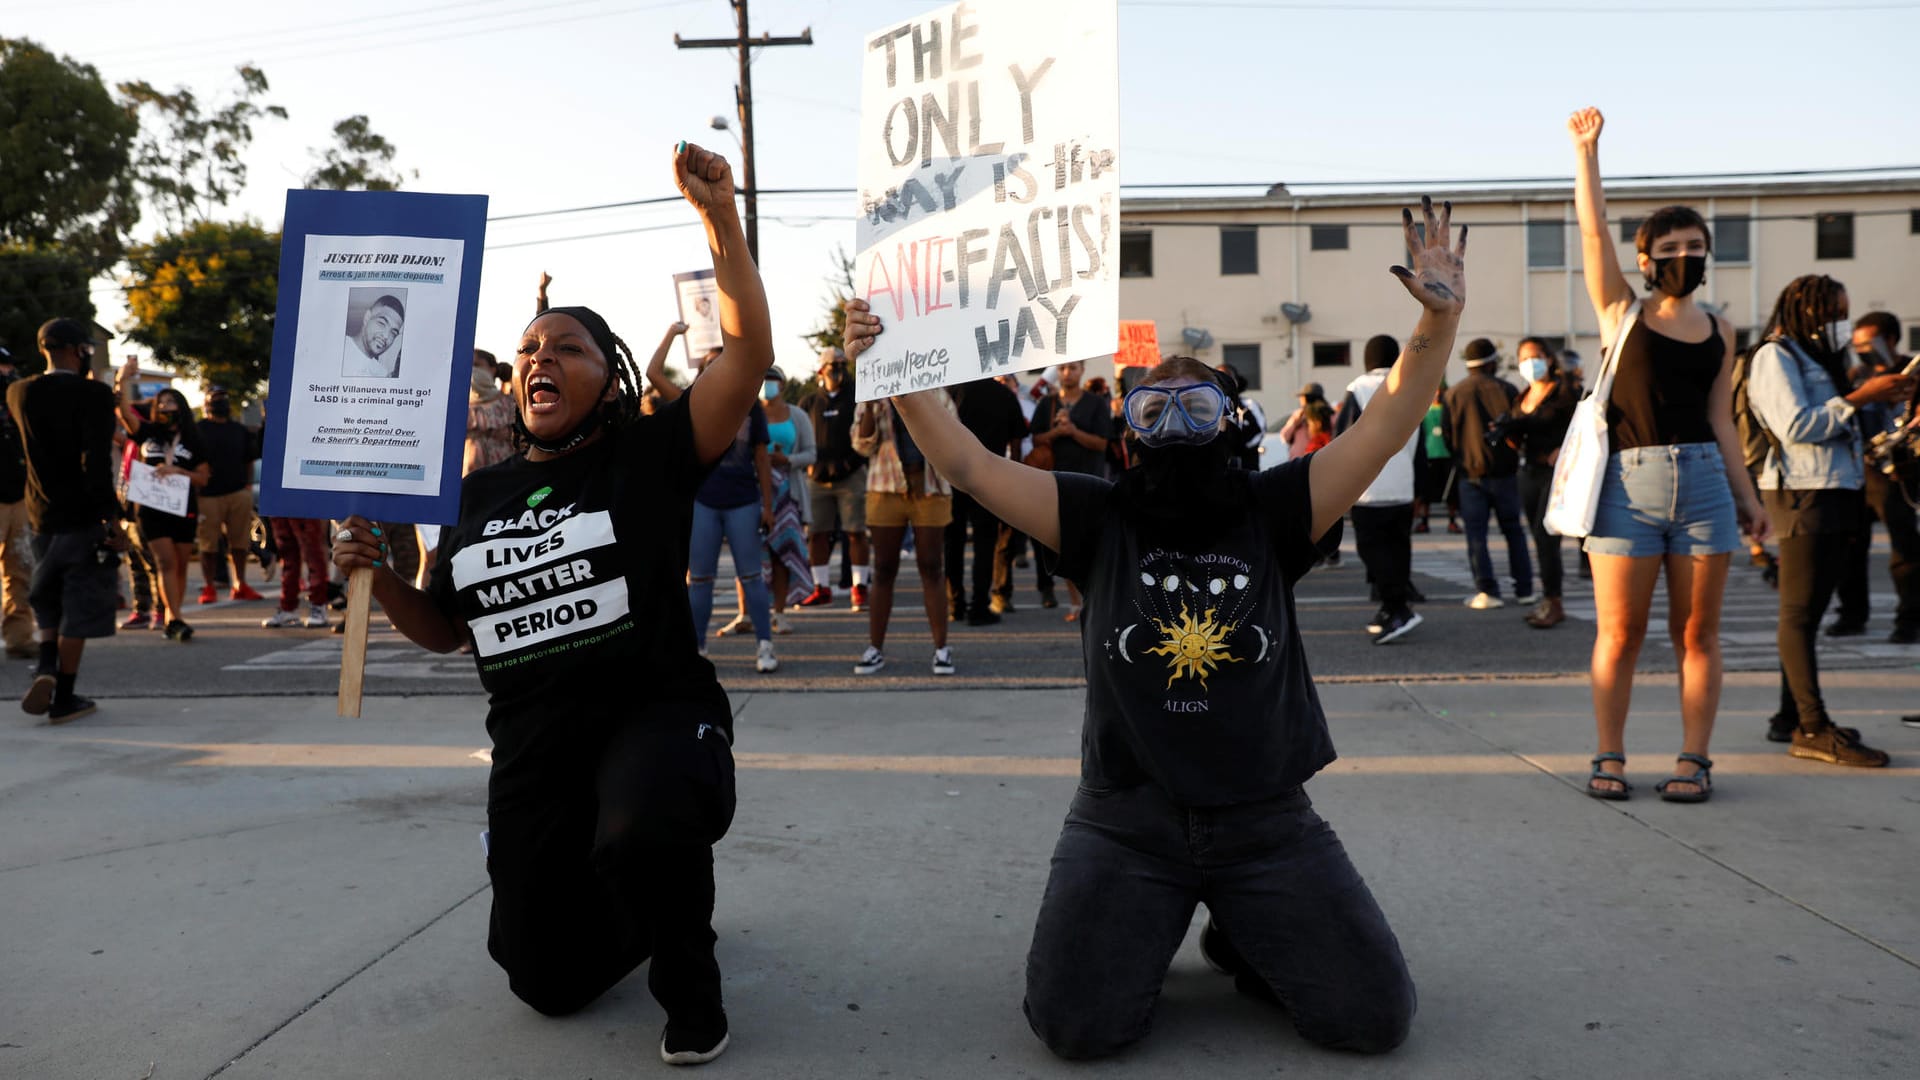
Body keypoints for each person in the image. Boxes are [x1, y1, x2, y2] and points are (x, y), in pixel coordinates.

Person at [842, 195, 1466, 1060]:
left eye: (1198, 408)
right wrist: (898, 364)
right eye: (1152, 408)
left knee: (1370, 1021)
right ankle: (1175, 915)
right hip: (1126, 820)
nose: (1177, 424)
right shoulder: (1096, 517)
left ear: (1234, 424)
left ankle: (1241, 930)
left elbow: (1391, 417)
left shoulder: (1277, 508)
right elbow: (966, 463)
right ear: (1129, 433)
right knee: (1075, 1028)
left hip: (1265, 819)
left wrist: (1438, 320)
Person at [331, 142, 765, 1066]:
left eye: (567, 347)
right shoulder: (479, 495)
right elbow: (448, 631)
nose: (540, 357)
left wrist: (717, 219)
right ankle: (634, 902)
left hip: (651, 715)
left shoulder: (651, 453)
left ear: (609, 374)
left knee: (644, 821)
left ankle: (691, 982)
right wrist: (378, 579)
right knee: (543, 982)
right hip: (534, 744)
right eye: (529, 348)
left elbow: (749, 354)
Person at [1567, 106, 1770, 803]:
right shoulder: (1621, 312)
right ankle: (1610, 754)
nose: (1686, 255)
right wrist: (1587, 154)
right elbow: (1593, 231)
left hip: (1707, 486)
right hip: (1626, 486)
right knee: (1620, 634)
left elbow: (1722, 420)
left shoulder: (1722, 327)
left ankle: (1695, 758)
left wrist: (1751, 501)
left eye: (1696, 244)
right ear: (1647, 257)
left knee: (1698, 635)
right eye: (1673, 245)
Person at [1748, 276, 1911, 765]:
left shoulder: (1827, 361)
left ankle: (1789, 717)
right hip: (1803, 492)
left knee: (1811, 612)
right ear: (1810, 311)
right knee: (1797, 614)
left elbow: (1849, 427)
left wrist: (1888, 405)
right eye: (1836, 313)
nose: (1842, 324)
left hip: (1841, 489)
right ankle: (1814, 727)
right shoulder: (1775, 357)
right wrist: (1860, 398)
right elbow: (1796, 425)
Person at [8, 318, 125, 723]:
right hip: (82, 516)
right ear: (81, 351)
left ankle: (45, 667)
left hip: (40, 514)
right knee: (79, 604)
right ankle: (66, 695)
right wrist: (112, 518)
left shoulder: (17, 392)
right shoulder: (93, 395)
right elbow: (95, 463)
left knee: (47, 596)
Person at [665, 349, 778, 674]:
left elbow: (761, 458)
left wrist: (768, 506)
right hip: (703, 501)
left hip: (743, 500)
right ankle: (696, 649)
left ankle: (765, 646)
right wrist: (673, 335)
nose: (718, 367)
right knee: (699, 580)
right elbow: (655, 375)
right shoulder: (691, 403)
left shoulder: (749, 404)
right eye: (711, 363)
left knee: (752, 576)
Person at [850, 391, 958, 675]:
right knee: (884, 569)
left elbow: (954, 435)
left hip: (930, 485)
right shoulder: (875, 391)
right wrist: (872, 407)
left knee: (932, 566)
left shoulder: (935, 390)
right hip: (885, 485)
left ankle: (942, 649)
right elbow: (861, 445)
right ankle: (875, 649)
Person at [1828, 311, 1918, 642]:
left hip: (1898, 472)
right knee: (1850, 547)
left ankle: (1910, 619)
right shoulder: (1857, 375)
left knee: (1905, 548)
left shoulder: (1911, 373)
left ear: (1891, 340)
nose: (1863, 350)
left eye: (1869, 343)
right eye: (1858, 344)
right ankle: (1852, 614)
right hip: (1858, 470)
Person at [110, 369, 211, 642]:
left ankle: (172, 614)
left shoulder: (194, 439)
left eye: (171, 401)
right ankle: (174, 617)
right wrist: (122, 380)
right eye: (161, 402)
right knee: (165, 561)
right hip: (151, 508)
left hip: (182, 507)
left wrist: (180, 472)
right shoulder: (148, 433)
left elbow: (203, 477)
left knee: (179, 564)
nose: (166, 406)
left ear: (181, 406)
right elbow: (124, 413)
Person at [1336, 335, 1422, 643]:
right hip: (1403, 485)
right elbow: (1421, 442)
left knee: (1372, 551)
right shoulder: (1412, 384)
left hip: (1369, 486)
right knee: (1398, 550)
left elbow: (1343, 438)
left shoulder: (1359, 388)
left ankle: (1397, 610)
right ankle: (1393, 607)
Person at [718, 367, 815, 637]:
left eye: (771, 381)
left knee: (781, 552)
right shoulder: (744, 413)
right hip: (749, 489)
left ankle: (780, 614)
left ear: (782, 384)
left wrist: (790, 460)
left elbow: (811, 453)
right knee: (745, 552)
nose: (766, 385)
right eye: (762, 380)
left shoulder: (797, 415)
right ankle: (744, 614)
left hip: (786, 492)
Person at [1443, 339, 1534, 610]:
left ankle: (1487, 590)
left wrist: (1461, 458)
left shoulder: (1454, 394)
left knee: (1476, 535)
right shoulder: (1508, 390)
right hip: (1505, 473)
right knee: (1514, 532)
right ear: (1492, 361)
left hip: (1470, 475)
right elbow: (1520, 431)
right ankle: (1525, 589)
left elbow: (1448, 436)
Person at [1029, 360, 1114, 620]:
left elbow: (1101, 443)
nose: (1068, 373)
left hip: (1091, 481)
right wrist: (1057, 432)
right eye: (1064, 368)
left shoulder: (1097, 403)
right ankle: (1076, 602)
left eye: (1073, 368)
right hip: (1056, 482)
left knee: (1095, 542)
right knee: (1064, 542)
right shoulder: (1047, 403)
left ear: (1082, 370)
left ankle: (1097, 596)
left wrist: (1073, 431)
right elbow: (1035, 438)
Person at [944, 375, 1026, 626]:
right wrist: (1012, 475)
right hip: (989, 476)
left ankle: (955, 605)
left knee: (953, 542)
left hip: (954, 474)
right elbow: (1016, 444)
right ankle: (979, 606)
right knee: (985, 542)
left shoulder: (952, 391)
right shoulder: (1005, 395)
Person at [1509, 338, 1579, 628]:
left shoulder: (1565, 393)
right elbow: (1517, 431)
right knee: (1538, 537)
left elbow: (1581, 429)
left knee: (1546, 533)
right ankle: (1548, 598)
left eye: (1535, 356)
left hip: (1556, 472)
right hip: (1528, 470)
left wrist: (1561, 450)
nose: (1530, 363)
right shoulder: (1522, 395)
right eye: (1523, 358)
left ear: (1549, 359)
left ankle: (1555, 600)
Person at [798, 348, 870, 612]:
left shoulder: (857, 397)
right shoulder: (809, 402)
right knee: (817, 534)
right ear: (821, 369)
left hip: (850, 475)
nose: (839, 368)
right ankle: (821, 588)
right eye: (833, 363)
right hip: (817, 478)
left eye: (842, 363)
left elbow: (866, 434)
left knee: (856, 532)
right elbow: (799, 436)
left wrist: (853, 462)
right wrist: (807, 465)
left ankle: (860, 587)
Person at [193, 387, 264, 604]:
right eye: (215, 398)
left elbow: (249, 460)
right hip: (207, 496)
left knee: (240, 543)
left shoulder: (239, 430)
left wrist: (247, 486)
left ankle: (240, 584)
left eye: (223, 398)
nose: (220, 402)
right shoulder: (198, 429)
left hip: (237, 493)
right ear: (206, 403)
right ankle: (209, 586)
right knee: (208, 545)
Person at [0, 355, 35, 658]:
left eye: (9, 367)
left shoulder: (17, 406)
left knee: (21, 567)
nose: (8, 373)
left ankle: (19, 637)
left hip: (19, 496)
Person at [1413, 381, 1459, 533]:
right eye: (1435, 391)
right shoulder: (1423, 412)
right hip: (1429, 455)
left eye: (1440, 391)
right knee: (1426, 492)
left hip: (1447, 455)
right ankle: (1424, 521)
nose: (1438, 395)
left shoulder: (1450, 410)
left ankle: (1452, 521)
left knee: (1451, 492)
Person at [342, 294, 406, 379]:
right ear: (367, 317)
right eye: (382, 323)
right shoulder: (339, 348)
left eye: (393, 333)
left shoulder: (382, 374)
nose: (386, 336)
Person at [1219, 364, 1267, 471]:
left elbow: (1260, 431)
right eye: (1220, 379)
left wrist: (1242, 448)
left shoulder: (1249, 405)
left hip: (1247, 466)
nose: (1224, 383)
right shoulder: (1212, 408)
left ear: (1236, 382)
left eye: (1228, 378)